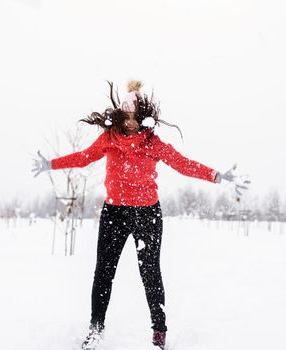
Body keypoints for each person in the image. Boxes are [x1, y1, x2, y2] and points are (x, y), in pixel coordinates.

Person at [32, 80, 249, 350]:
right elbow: (84, 157)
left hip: (147, 213)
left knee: (150, 273)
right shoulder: (109, 140)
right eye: (127, 118)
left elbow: (183, 164)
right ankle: (96, 328)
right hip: (114, 213)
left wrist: (217, 176)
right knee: (103, 272)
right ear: (121, 117)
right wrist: (52, 164)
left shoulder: (152, 143)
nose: (131, 123)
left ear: (143, 117)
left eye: (136, 118)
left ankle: (159, 332)